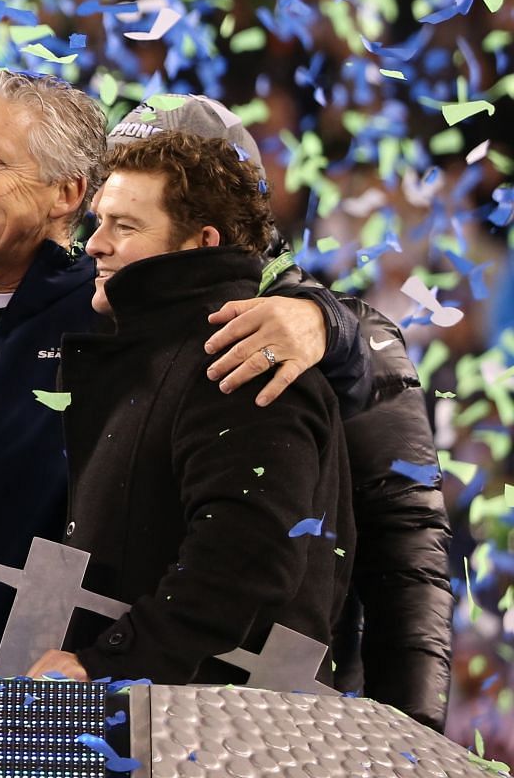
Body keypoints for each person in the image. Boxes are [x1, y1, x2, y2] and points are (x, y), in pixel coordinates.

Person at [0, 69, 368, 675]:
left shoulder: (126, 326)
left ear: (66, 194)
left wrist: (323, 320)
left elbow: (244, 543)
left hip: (56, 712)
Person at [109, 94, 451, 725]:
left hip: (269, 711)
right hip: (131, 690)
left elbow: (409, 549)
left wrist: (415, 730)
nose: (102, 237)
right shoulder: (113, 326)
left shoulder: (332, 336)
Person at [29, 132, 353, 683]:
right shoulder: (154, 355)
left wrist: (111, 661)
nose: (95, 245)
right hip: (158, 719)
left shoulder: (237, 360)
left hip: (217, 741)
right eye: (98, 221)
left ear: (200, 243)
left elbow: (245, 555)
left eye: (124, 227)